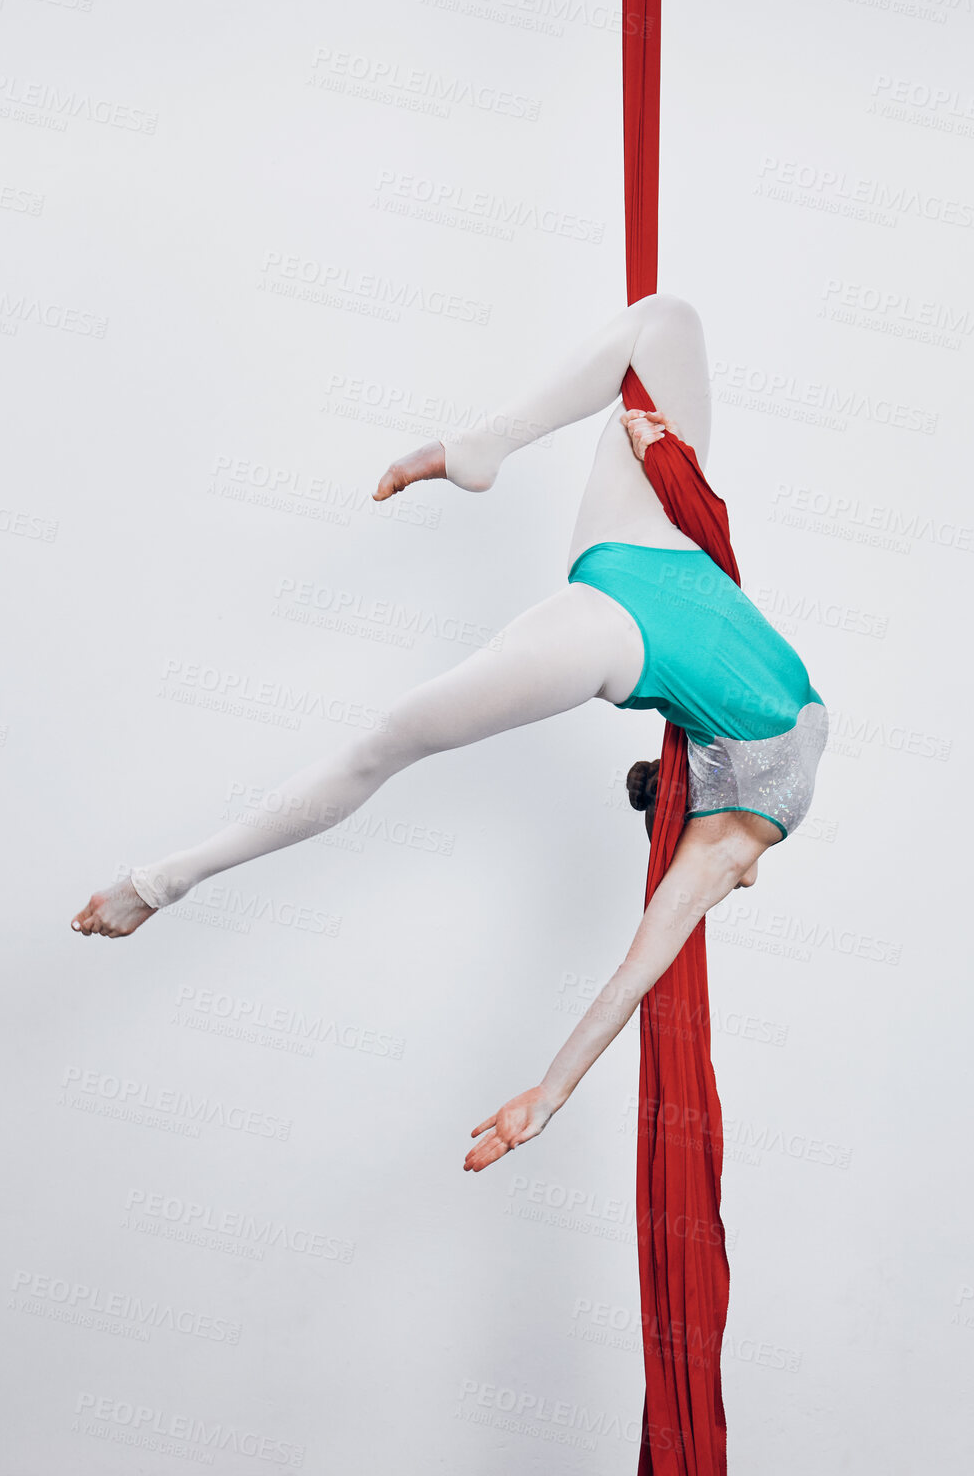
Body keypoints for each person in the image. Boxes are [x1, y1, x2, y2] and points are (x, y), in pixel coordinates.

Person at [69, 293, 828, 1173]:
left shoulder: (749, 817)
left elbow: (637, 971)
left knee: (667, 321)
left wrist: (550, 1095)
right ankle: (482, 448)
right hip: (651, 565)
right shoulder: (738, 835)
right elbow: (637, 970)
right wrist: (547, 1096)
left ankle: (164, 881)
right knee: (384, 744)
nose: (736, 886)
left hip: (641, 576)